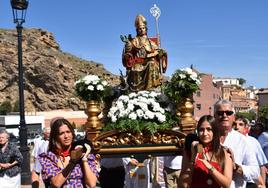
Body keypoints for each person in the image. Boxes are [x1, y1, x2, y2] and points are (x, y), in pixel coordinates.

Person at [39, 118, 98, 188]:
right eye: (61, 133)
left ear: (72, 134)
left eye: (68, 132)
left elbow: (91, 184)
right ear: (55, 137)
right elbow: (56, 183)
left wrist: (84, 160)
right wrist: (72, 162)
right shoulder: (48, 157)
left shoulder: (84, 152)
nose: (66, 136)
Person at [214, 99, 259, 188]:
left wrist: (236, 168)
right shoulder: (208, 138)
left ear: (233, 117)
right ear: (214, 116)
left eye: (228, 113)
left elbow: (255, 171)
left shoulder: (243, 140)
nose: (224, 116)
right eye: (220, 113)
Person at [179, 115, 233, 188]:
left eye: (209, 129)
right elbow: (183, 185)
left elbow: (227, 184)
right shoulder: (191, 151)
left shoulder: (224, 153)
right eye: (201, 130)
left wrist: (210, 167)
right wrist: (192, 159)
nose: (205, 133)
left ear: (215, 131)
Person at [121, 14, 167, 91]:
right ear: (137, 30)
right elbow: (128, 53)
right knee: (135, 68)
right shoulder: (134, 41)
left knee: (152, 64)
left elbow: (158, 50)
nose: (142, 30)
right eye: (139, 29)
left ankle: (151, 89)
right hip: (137, 63)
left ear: (146, 29)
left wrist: (160, 53)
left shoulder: (150, 42)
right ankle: (136, 90)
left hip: (148, 62)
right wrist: (127, 44)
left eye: (143, 28)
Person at [234, 117, 268, 188]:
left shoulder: (253, 142)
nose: (237, 127)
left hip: (252, 182)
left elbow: (261, 165)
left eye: (240, 124)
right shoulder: (229, 141)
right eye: (235, 124)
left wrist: (263, 185)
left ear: (246, 127)